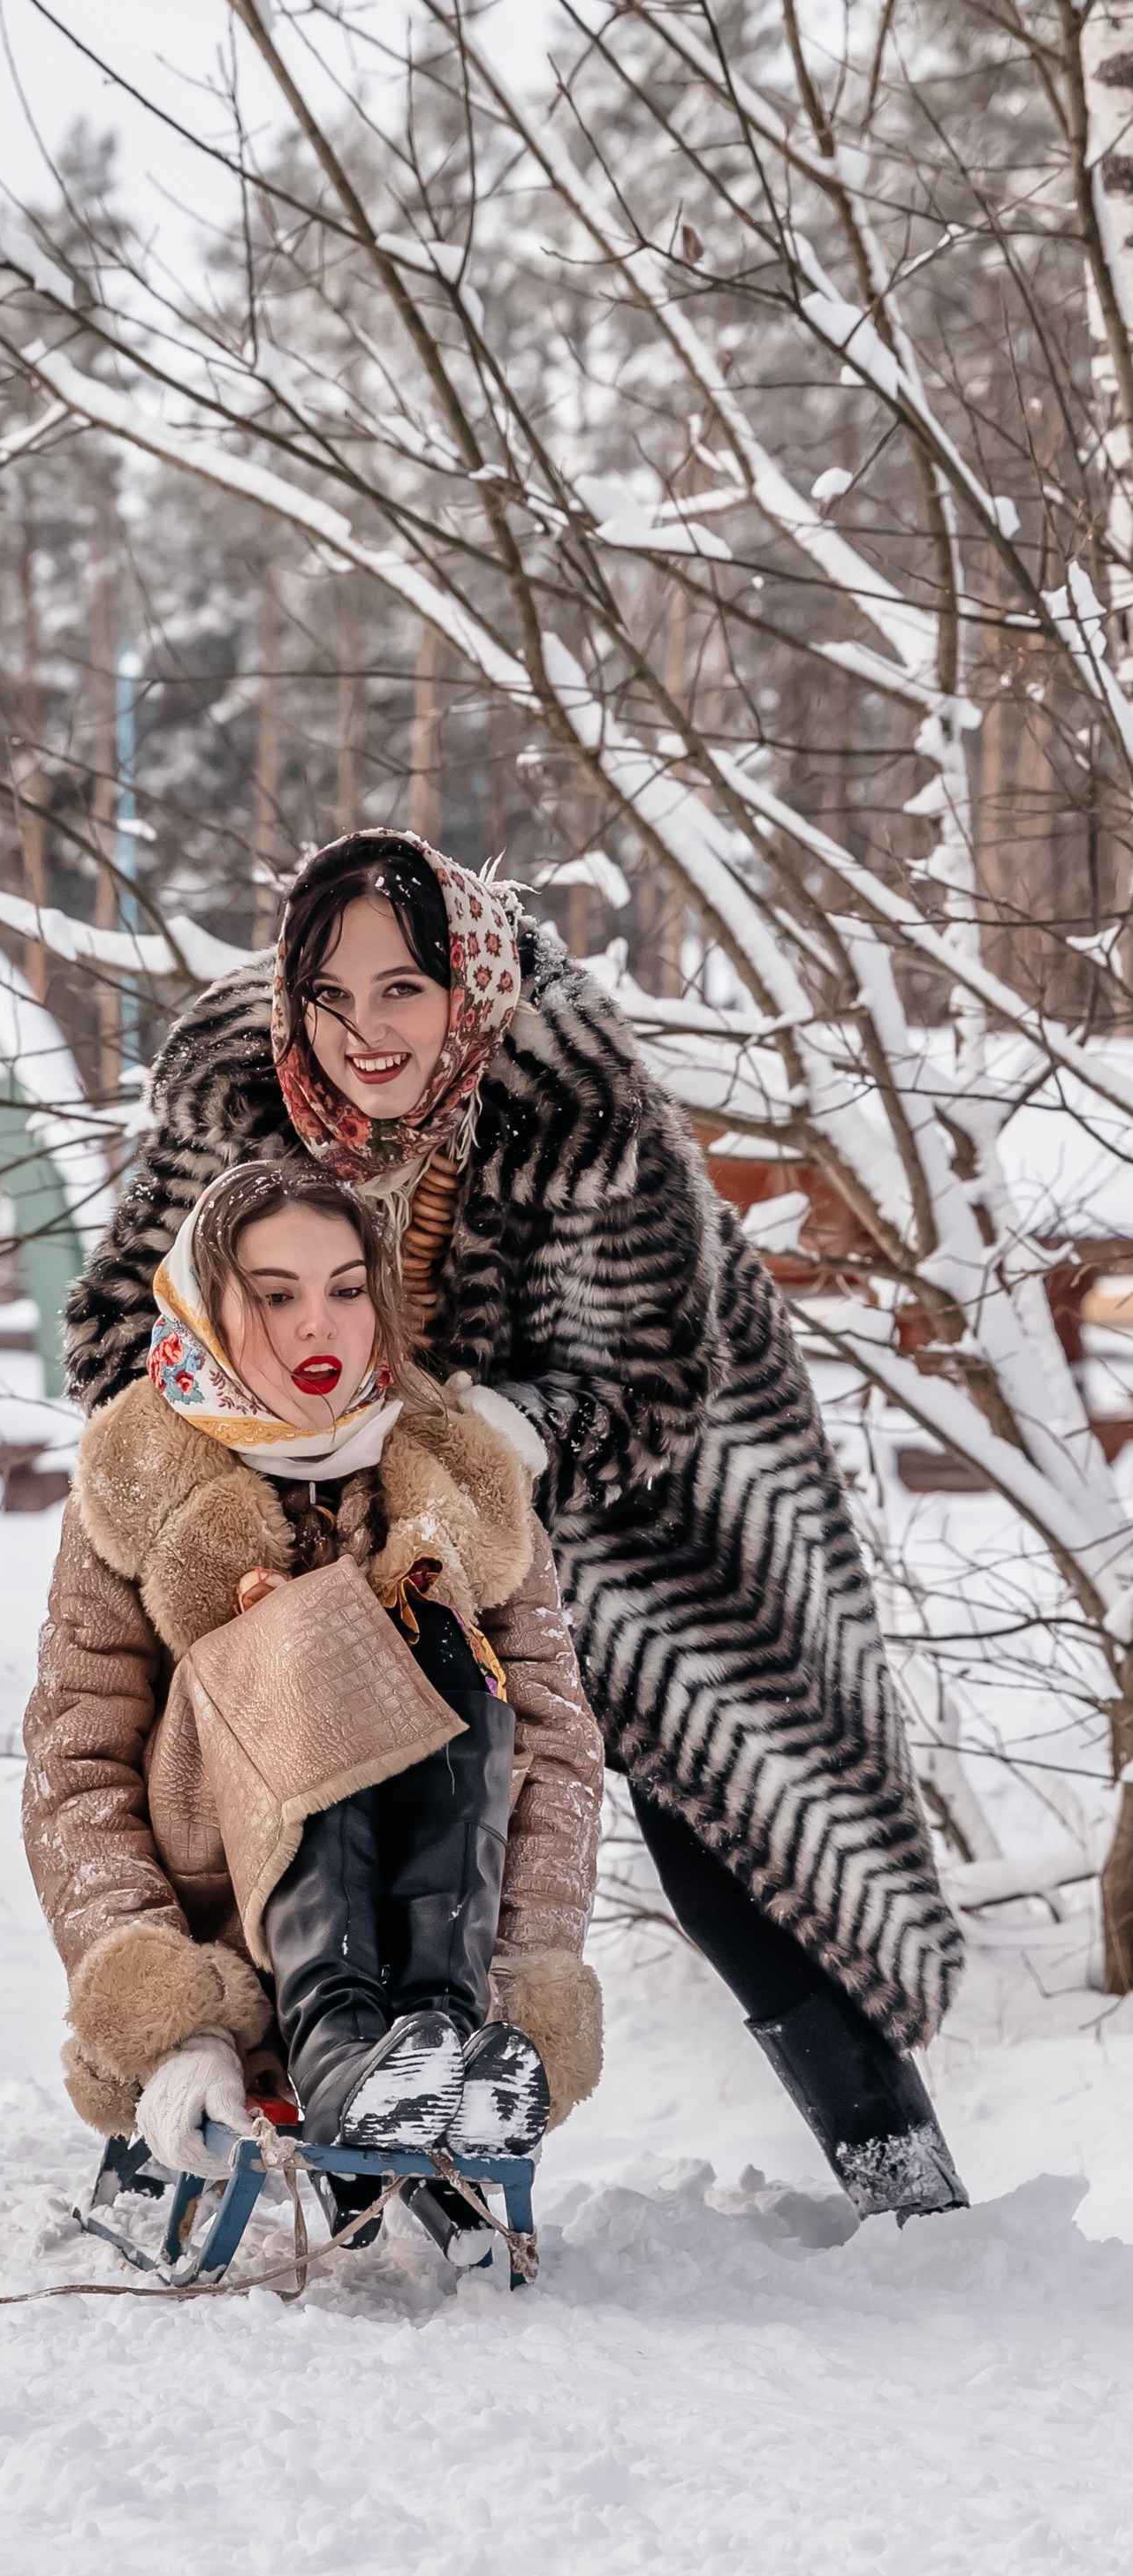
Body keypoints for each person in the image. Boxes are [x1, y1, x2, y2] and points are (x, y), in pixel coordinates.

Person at [64, 829, 970, 2222]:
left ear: (468, 986)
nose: (364, 1029)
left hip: (638, 1498)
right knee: (255, 1742)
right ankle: (260, 2118)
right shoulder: (232, 1085)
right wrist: (249, 1446)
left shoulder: (577, 1100)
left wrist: (468, 1444)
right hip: (321, 1472)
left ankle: (903, 2175)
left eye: (404, 988)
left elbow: (651, 1373)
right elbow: (123, 1335)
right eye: (330, 992)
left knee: (731, 1812)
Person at [22, 1153, 605, 2181]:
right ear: (207, 1304)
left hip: (445, 1923)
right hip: (229, 1921)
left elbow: (557, 1749)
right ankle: (338, 2046)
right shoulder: (137, 1476)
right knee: (310, 1627)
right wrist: (173, 2015)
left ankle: (439, 2033)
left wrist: (524, 1979)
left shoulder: (456, 1468)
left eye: (346, 1290)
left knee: (446, 1637)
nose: (318, 1327)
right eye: (275, 1295)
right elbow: (76, 1770)